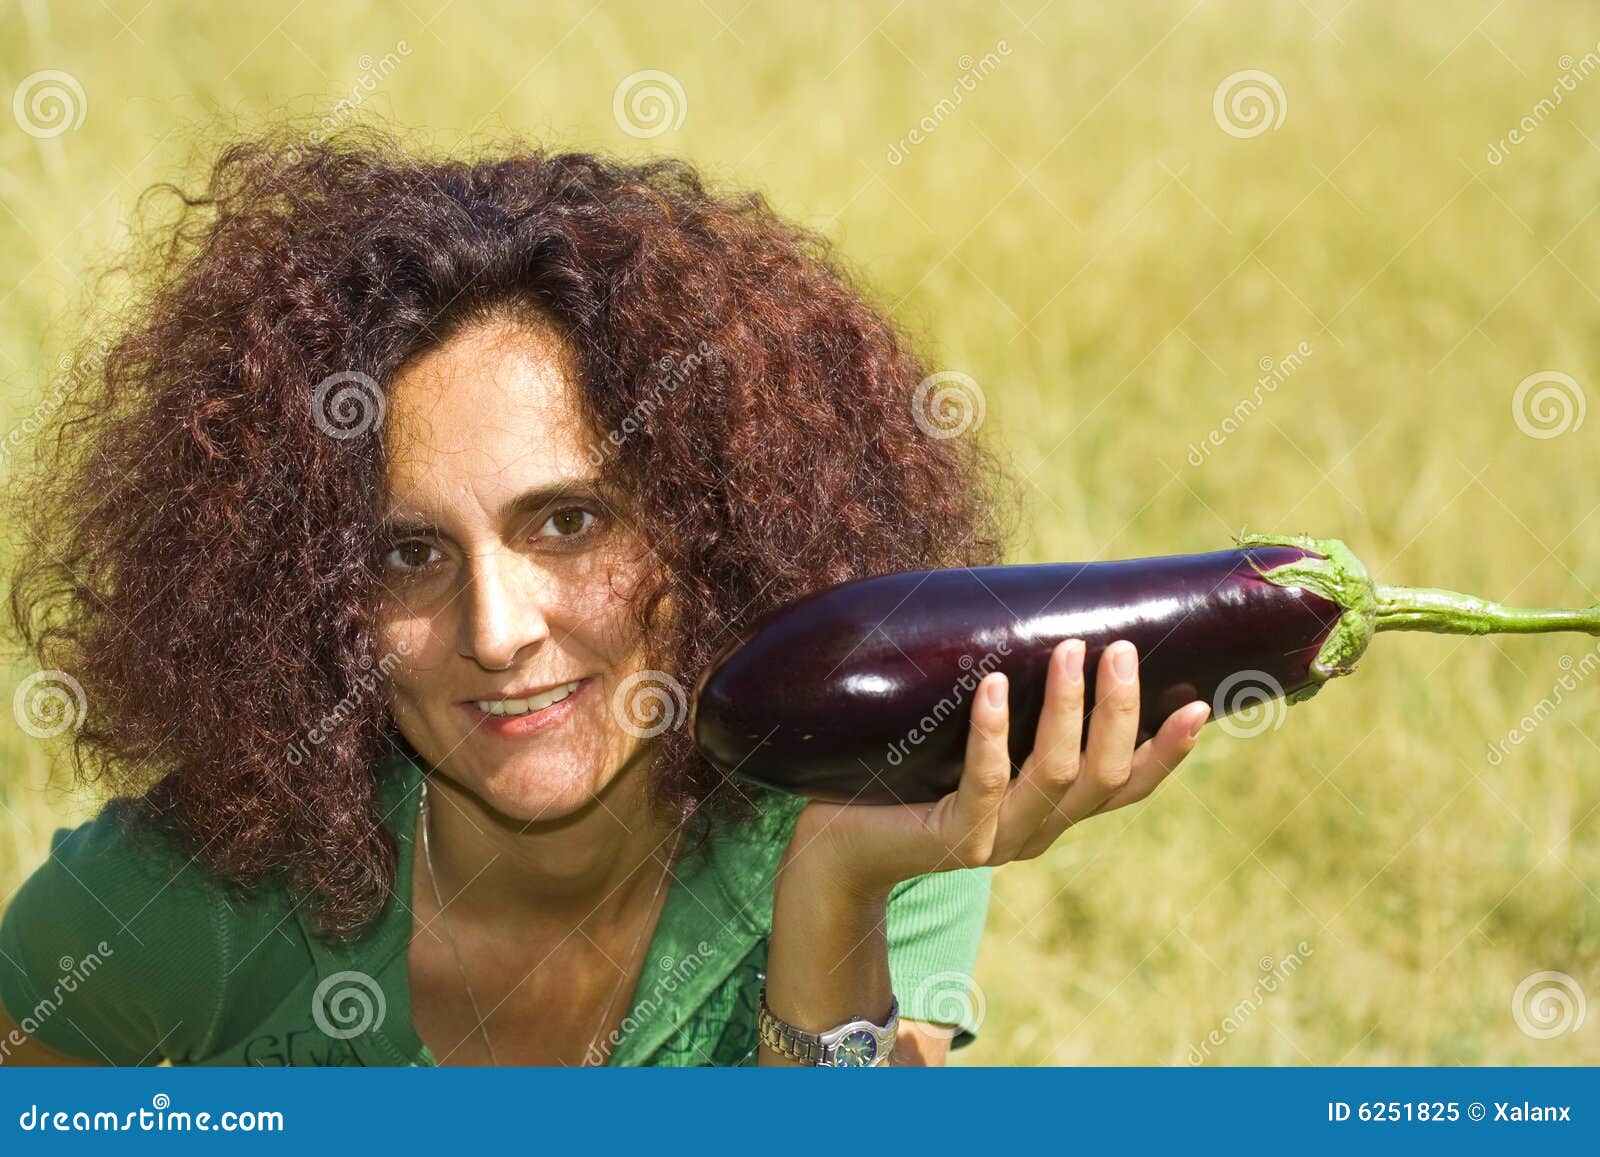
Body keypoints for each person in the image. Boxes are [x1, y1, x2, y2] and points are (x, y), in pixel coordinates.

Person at [0, 127, 1210, 1067]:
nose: (497, 628)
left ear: (714, 523)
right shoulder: (204, 889)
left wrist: (837, 885)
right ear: (309, 601)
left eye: (567, 522)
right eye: (404, 555)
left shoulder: (871, 817)